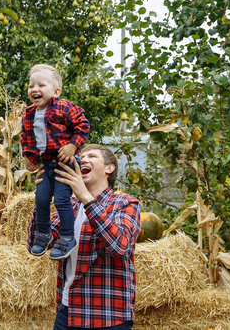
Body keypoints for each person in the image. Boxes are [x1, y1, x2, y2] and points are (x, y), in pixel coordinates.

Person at [27, 144, 141, 329]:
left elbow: (121, 246)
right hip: (68, 313)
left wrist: (85, 197)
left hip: (108, 316)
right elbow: (35, 243)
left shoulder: (125, 203)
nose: (83, 160)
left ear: (109, 168)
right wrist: (42, 200)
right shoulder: (69, 207)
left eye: (92, 156)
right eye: (81, 157)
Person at [21, 64, 90, 260]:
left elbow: (83, 125)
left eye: (41, 85)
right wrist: (28, 157)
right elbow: (26, 138)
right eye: (31, 85)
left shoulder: (64, 107)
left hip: (64, 161)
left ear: (56, 91)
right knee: (41, 199)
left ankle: (67, 237)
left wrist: (72, 146)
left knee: (61, 200)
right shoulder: (28, 114)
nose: (35, 89)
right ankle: (43, 234)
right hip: (46, 164)